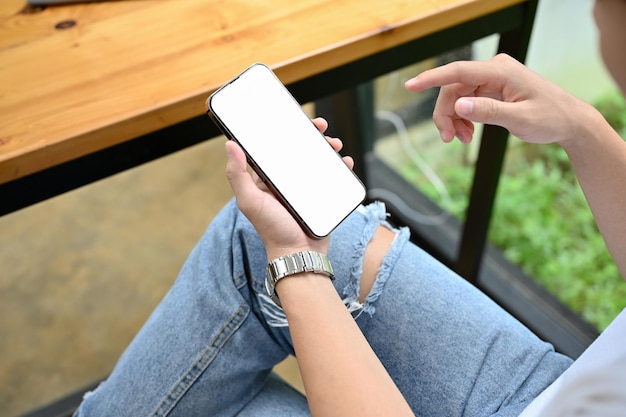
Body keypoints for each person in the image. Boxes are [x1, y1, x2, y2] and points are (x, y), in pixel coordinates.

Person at [74, 0, 625, 415]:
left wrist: (298, 261)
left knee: (268, 251)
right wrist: (584, 130)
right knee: (250, 240)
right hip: (578, 390)